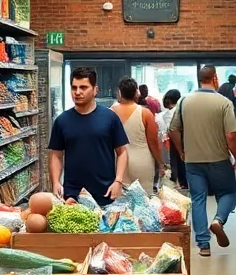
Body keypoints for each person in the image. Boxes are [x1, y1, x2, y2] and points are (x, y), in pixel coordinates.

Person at [170, 66, 236, 256]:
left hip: (192, 161)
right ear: (215, 78)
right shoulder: (224, 102)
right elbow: (231, 135)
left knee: (198, 199)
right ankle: (218, 220)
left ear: (199, 79)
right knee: (229, 192)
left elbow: (173, 129)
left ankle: (203, 245)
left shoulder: (185, 101)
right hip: (219, 160)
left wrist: (182, 151)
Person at [48, 67, 129, 206]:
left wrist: (118, 181)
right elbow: (56, 155)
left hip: (105, 192)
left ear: (95, 90)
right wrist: (55, 182)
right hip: (73, 194)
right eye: (74, 88)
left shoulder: (110, 118)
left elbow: (122, 152)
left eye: (83, 87)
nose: (77, 92)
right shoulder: (62, 121)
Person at [110, 77, 163, 193]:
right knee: (144, 202)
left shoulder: (109, 113)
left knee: (118, 203)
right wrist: (160, 162)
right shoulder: (145, 113)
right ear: (136, 93)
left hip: (116, 163)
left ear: (119, 92)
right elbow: (153, 142)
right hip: (142, 162)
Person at [159, 89, 187, 189]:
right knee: (182, 163)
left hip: (173, 141)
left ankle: (177, 183)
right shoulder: (182, 110)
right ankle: (183, 183)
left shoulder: (167, 114)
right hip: (184, 140)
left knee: (175, 163)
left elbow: (169, 130)